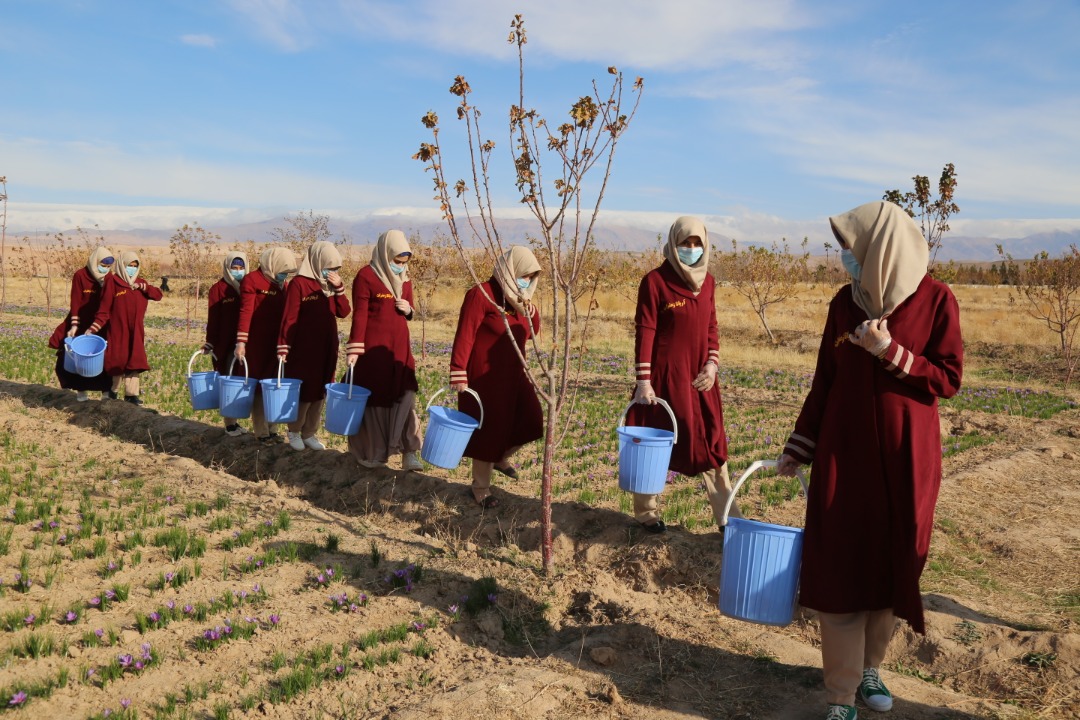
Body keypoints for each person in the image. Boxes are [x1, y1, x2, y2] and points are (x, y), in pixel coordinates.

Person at [777, 201, 963, 720]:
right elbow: (825, 381)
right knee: (839, 570)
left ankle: (870, 670)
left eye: (852, 250)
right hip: (844, 458)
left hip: (908, 461)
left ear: (881, 249)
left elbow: (948, 378)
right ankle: (840, 695)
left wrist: (891, 352)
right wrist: (801, 444)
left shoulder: (935, 300)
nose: (845, 260)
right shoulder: (844, 304)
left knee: (891, 566)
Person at [626, 216, 741, 534]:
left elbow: (711, 327)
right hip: (665, 380)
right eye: (684, 243)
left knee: (712, 444)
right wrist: (644, 381)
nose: (691, 249)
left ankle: (728, 518)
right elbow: (646, 330)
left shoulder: (709, 282)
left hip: (700, 380)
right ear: (673, 244)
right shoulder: (655, 281)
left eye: (696, 243)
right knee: (655, 443)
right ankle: (645, 513)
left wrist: (712, 365)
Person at [449, 245, 543, 507]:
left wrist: (530, 310)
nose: (526, 281)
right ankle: (480, 487)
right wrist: (458, 370)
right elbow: (465, 334)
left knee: (532, 420)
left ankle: (500, 457)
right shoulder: (482, 295)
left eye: (531, 277)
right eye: (523, 275)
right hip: (484, 377)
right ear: (509, 271)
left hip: (515, 373)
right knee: (487, 429)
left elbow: (532, 331)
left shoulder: (520, 301)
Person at [345, 230, 422, 470]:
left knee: (404, 393)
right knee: (376, 398)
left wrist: (408, 309)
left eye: (404, 262)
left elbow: (410, 311)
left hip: (399, 348)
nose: (400, 267)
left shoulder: (405, 279)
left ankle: (410, 452)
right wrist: (355, 348)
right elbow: (359, 314)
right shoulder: (366, 276)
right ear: (384, 254)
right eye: (396, 262)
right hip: (373, 349)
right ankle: (376, 453)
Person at [277, 241, 351, 451]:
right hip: (304, 347)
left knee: (321, 389)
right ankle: (294, 430)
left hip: (327, 346)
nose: (332, 272)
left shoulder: (330, 286)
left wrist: (339, 288)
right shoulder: (299, 284)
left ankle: (310, 432)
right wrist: (284, 346)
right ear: (317, 263)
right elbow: (289, 318)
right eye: (329, 267)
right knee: (306, 389)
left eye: (336, 268)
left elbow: (344, 312)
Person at [235, 247, 297, 445]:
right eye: (282, 271)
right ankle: (261, 431)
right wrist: (241, 342)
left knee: (275, 384)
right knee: (261, 385)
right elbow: (246, 311)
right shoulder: (252, 280)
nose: (284, 276)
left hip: (277, 343)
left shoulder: (283, 284)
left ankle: (273, 428)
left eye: (286, 273)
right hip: (257, 342)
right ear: (272, 264)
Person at [85, 250, 163, 404]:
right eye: (129, 265)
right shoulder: (113, 282)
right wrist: (93, 328)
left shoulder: (141, 283)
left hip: (136, 331)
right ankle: (112, 393)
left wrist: (143, 287)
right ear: (122, 265)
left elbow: (158, 295)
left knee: (134, 360)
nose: (132, 268)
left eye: (135, 265)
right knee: (117, 361)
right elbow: (104, 309)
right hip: (118, 331)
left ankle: (131, 395)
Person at [48, 247, 116, 401]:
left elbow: (107, 306)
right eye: (102, 265)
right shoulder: (81, 275)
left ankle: (105, 390)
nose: (105, 269)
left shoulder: (109, 278)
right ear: (94, 261)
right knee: (76, 355)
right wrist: (74, 326)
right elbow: (76, 302)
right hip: (81, 321)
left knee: (102, 355)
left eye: (107, 267)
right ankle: (81, 390)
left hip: (102, 322)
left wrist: (96, 326)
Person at [203, 252, 248, 437]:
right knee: (228, 381)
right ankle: (230, 424)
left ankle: (238, 421)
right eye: (234, 268)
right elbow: (213, 319)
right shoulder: (218, 289)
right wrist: (210, 342)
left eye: (241, 268)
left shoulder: (248, 286)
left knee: (242, 381)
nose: (238, 272)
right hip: (225, 343)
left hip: (245, 343)